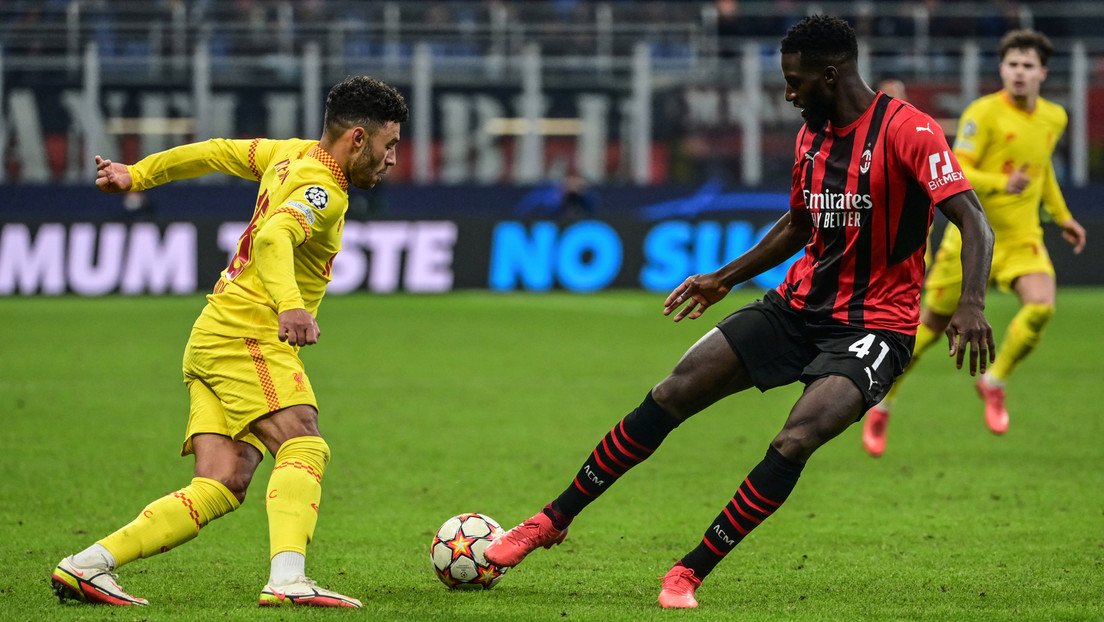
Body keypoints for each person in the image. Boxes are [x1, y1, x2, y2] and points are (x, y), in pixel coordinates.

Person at [484, 15, 995, 609]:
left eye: (795, 81)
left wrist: (972, 303)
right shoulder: (813, 135)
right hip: (796, 307)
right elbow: (799, 224)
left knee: (795, 438)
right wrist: (723, 278)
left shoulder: (912, 132)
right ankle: (549, 521)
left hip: (876, 325)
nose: (787, 93)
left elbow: (972, 219)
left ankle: (688, 572)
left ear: (830, 76)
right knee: (673, 391)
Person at [50, 76, 409, 608]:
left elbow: (215, 151)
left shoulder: (286, 154)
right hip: (248, 332)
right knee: (303, 442)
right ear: (358, 139)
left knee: (222, 481)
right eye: (389, 145)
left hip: (212, 331)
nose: (392, 159)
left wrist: (138, 174)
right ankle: (288, 580)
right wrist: (290, 304)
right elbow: (273, 236)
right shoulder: (324, 191)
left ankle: (87, 566)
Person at [862, 29, 1087, 457]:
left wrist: (1062, 217)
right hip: (972, 238)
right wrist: (1005, 182)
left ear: (1042, 72)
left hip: (1022, 236)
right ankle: (882, 403)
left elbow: (1041, 172)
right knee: (925, 333)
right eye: (1012, 65)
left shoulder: (1054, 117)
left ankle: (993, 381)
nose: (1019, 73)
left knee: (1041, 305)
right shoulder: (981, 114)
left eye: (1027, 66)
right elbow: (956, 168)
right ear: (1002, 69)